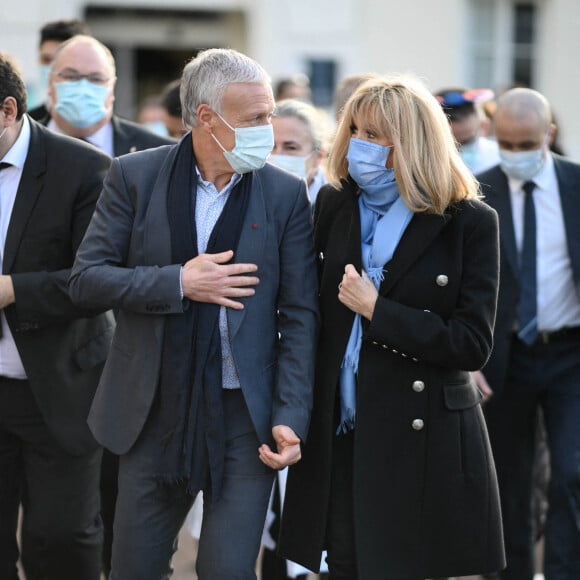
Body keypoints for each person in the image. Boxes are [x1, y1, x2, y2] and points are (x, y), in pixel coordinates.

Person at [68, 47, 318, 580]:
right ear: (208, 118)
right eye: (256, 118)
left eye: (270, 114)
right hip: (153, 407)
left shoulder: (284, 194)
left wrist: (290, 414)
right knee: (133, 569)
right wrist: (181, 280)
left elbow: (299, 313)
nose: (269, 130)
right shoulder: (134, 176)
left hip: (242, 418)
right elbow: (86, 280)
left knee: (227, 571)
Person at [279, 74, 505, 580]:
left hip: (419, 435)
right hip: (343, 428)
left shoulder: (468, 220)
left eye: (377, 134)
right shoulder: (336, 203)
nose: (361, 144)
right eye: (356, 130)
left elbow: (471, 344)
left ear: (412, 141)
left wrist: (378, 311)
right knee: (344, 564)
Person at [0, 52, 114, 580]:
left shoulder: (84, 168)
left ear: (7, 111)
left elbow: (94, 281)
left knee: (63, 541)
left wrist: (11, 291)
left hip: (61, 388)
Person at [474, 87, 580, 580]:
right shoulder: (475, 190)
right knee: (509, 484)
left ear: (549, 136)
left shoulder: (577, 186)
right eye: (506, 144)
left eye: (526, 144)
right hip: (503, 358)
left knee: (571, 475)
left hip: (570, 355)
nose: (515, 154)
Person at [42, 34, 174, 156]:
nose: (83, 87)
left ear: (112, 87)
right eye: (71, 76)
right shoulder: (25, 143)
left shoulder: (159, 151)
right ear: (50, 82)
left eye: (96, 78)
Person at [269, 98, 330, 205]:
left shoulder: (337, 205)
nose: (276, 154)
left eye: (291, 148)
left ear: (318, 157)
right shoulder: (249, 197)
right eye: (270, 147)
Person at [27, 18, 91, 120]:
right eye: (46, 59)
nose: (52, 68)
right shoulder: (25, 124)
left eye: (61, 60)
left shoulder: (103, 126)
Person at [435, 87, 500, 175]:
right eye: (448, 143)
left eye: (467, 142)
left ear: (484, 127)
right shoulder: (419, 165)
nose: (457, 151)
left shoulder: (498, 160)